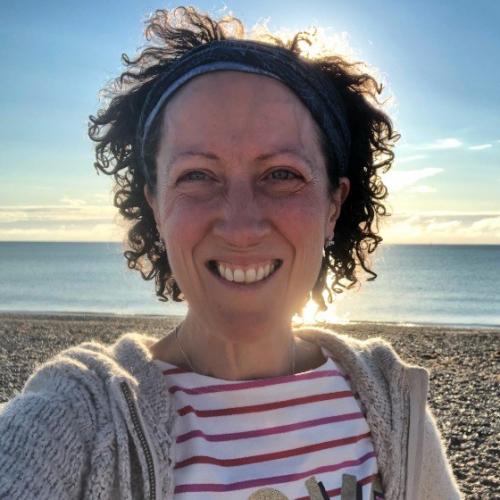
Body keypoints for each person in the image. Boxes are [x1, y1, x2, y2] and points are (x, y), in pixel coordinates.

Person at [0, 7, 461, 499]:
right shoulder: (82, 415)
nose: (241, 227)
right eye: (197, 175)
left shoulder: (392, 402)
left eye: (282, 174)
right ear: (156, 206)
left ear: (334, 205)